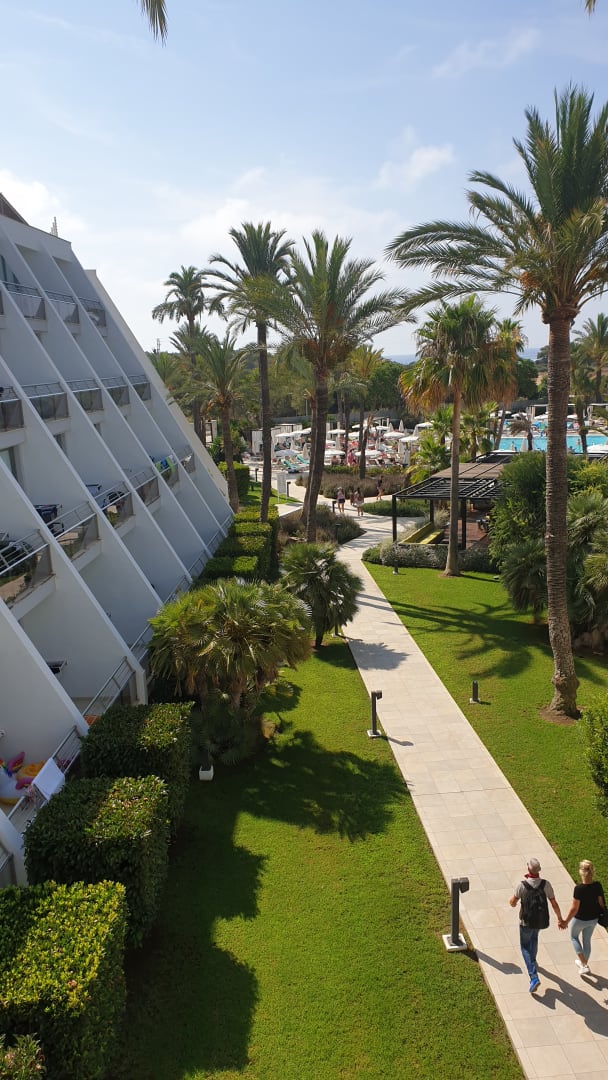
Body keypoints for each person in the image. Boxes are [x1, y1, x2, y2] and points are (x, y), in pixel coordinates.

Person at [509, 857, 565, 993]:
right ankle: (533, 961)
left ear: (528, 868)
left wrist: (514, 902)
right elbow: (554, 903)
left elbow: (512, 902)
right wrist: (560, 919)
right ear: (538, 870)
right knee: (534, 938)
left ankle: (533, 977)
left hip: (526, 922)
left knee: (524, 947)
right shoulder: (546, 884)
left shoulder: (522, 885)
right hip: (540, 921)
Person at [563, 859, 606, 976]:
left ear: (581, 872)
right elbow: (601, 903)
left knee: (573, 937)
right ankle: (583, 964)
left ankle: (584, 964)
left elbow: (574, 908)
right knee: (587, 941)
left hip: (579, 920)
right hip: (593, 919)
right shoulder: (597, 885)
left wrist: (565, 921)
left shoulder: (579, 889)